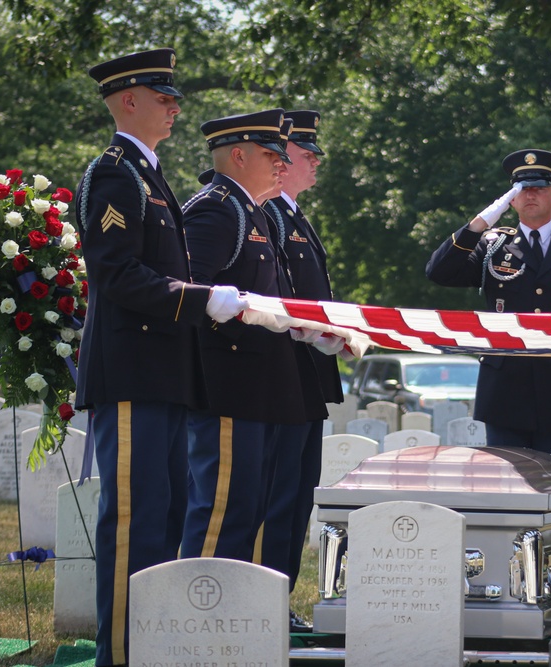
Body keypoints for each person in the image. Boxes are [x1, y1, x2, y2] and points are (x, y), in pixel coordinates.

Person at [75, 48, 246, 667]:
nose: (175, 107)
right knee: (135, 523)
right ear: (127, 100)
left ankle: (151, 649)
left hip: (166, 376)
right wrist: (202, 300)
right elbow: (117, 273)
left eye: (173, 97)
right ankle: (119, 656)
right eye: (162, 97)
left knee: (166, 518)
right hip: (132, 375)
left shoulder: (149, 176)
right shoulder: (115, 173)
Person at [426, 149, 551, 469]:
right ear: (511, 200)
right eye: (521, 189)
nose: (531, 194)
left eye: (539, 187)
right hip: (504, 394)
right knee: (507, 495)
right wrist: (481, 221)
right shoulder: (492, 245)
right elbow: (439, 272)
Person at [180, 108, 310, 563]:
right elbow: (191, 296)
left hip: (258, 387)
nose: (282, 164)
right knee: (223, 511)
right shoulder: (217, 208)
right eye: (270, 154)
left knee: (247, 509)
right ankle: (195, 618)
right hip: (229, 386)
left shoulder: (250, 211)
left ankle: (227, 618)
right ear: (237, 155)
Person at [256, 110, 346, 633]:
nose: (314, 162)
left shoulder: (292, 216)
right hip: (280, 377)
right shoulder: (268, 215)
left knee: (295, 496)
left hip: (305, 375)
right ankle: (265, 598)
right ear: (281, 160)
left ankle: (278, 597)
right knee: (277, 496)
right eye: (305, 153)